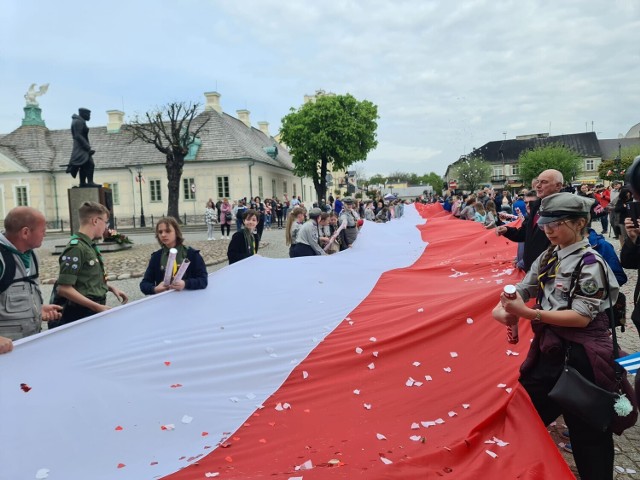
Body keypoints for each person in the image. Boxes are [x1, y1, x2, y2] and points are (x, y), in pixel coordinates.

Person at [493, 192, 621, 480]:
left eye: (556, 223)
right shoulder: (549, 255)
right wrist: (504, 311)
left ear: (579, 223)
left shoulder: (591, 263)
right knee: (523, 415)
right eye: (544, 223)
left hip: (584, 358)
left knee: (589, 437)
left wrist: (528, 315)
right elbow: (523, 290)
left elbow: (581, 316)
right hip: (550, 352)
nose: (548, 229)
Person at [54, 202, 128, 326]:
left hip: (91, 309)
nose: (106, 227)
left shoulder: (89, 246)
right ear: (95, 221)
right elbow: (64, 289)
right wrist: (96, 307)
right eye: (105, 222)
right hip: (81, 312)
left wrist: (109, 287)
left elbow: (86, 279)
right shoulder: (76, 248)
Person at [0, 207, 62, 340]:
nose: (45, 235)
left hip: (26, 346)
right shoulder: (1, 259)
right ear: (25, 232)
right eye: (43, 231)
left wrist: (37, 309)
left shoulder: (31, 254)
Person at [496, 169, 564, 271]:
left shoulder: (565, 209)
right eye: (538, 182)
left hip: (550, 270)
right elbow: (525, 233)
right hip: (532, 269)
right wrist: (507, 230)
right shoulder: (536, 206)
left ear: (558, 186)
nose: (538, 186)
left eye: (544, 182)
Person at [139, 217, 208, 295]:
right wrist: (155, 289)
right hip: (165, 302)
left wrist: (186, 283)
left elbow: (203, 280)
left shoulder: (191, 254)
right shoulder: (156, 257)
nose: (163, 235)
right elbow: (144, 284)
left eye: (168, 231)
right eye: (160, 232)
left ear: (176, 232)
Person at [66, 108, 99, 187]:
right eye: (88, 114)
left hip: (81, 147)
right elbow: (78, 135)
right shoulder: (78, 121)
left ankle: (83, 182)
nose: (89, 116)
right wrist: (88, 148)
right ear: (83, 113)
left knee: (84, 165)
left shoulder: (80, 121)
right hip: (80, 148)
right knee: (90, 164)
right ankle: (89, 182)